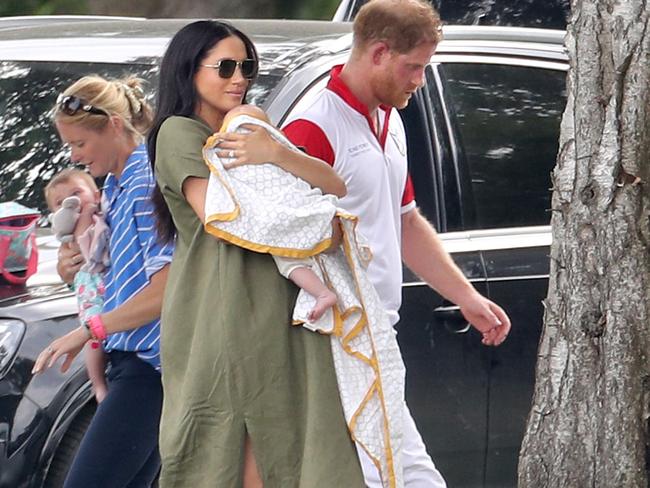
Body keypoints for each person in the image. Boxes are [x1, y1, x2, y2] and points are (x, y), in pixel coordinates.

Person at [283, 0, 512, 486]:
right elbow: (280, 238)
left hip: (379, 332)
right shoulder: (312, 127)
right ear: (380, 53)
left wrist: (465, 295)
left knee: (404, 473)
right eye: (414, 68)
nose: (420, 81)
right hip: (334, 340)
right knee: (398, 475)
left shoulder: (391, 118)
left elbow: (405, 222)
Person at [148, 20, 366, 488]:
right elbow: (225, 215)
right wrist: (315, 225)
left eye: (246, 66)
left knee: (290, 441)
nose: (239, 78)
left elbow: (335, 185)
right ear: (189, 70)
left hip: (282, 309)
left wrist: (276, 153)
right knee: (233, 448)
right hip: (223, 313)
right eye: (225, 66)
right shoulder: (177, 133)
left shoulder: (252, 128)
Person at [32, 75, 174, 488]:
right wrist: (71, 266)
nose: (75, 158)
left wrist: (88, 330)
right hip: (132, 362)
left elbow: (167, 287)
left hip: (152, 367)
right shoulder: (114, 185)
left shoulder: (147, 181)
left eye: (80, 144)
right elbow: (115, 270)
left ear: (114, 125)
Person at [208, 103, 338, 322]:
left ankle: (323, 293)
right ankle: (323, 293)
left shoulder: (274, 149)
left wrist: (275, 152)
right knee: (288, 259)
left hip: (289, 206)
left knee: (289, 259)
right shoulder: (217, 143)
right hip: (280, 215)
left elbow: (337, 186)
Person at [44, 168, 109, 404]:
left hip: (112, 294)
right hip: (91, 292)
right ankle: (98, 384)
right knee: (92, 337)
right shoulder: (67, 234)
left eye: (76, 193)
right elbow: (81, 248)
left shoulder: (108, 215)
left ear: (97, 193)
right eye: (60, 203)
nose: (71, 203)